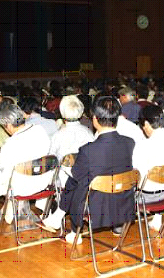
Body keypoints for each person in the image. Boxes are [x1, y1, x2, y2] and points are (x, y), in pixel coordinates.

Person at [41, 96, 136, 243]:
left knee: (74, 181)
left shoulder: (88, 150)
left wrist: (68, 172)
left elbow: (76, 176)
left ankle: (74, 230)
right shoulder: (129, 142)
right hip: (122, 202)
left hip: (96, 204)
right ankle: (59, 219)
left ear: (95, 120)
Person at [0, 104, 52, 234]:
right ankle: (6, 212)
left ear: (8, 125)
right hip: (43, 181)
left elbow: (3, 176)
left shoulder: (11, 144)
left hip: (20, 187)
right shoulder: (40, 130)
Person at [49, 95, 95, 186]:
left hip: (64, 181)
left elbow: (51, 160)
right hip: (86, 178)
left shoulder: (57, 135)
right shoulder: (88, 132)